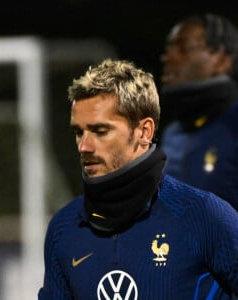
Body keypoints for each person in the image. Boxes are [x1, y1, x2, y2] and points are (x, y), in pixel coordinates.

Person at [38, 59, 238, 299]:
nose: (84, 146)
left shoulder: (204, 216)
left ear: (144, 132)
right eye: (79, 132)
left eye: (100, 131)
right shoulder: (64, 228)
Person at [159, 13, 238, 211]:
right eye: (169, 48)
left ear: (221, 61)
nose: (168, 57)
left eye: (183, 48)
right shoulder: (173, 134)